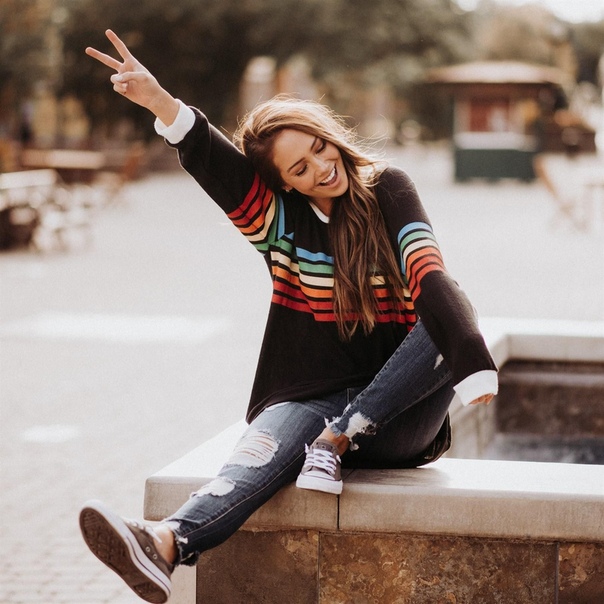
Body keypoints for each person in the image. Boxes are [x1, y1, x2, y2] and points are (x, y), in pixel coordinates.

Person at [80, 29, 498, 604]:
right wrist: (158, 102)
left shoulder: (389, 189)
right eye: (300, 169)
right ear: (284, 185)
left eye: (320, 148)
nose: (321, 168)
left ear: (331, 136)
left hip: (397, 416)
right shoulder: (279, 225)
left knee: (451, 308)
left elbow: (427, 271)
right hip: (309, 396)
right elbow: (219, 167)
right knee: (248, 464)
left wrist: (470, 355)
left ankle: (336, 439)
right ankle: (163, 544)